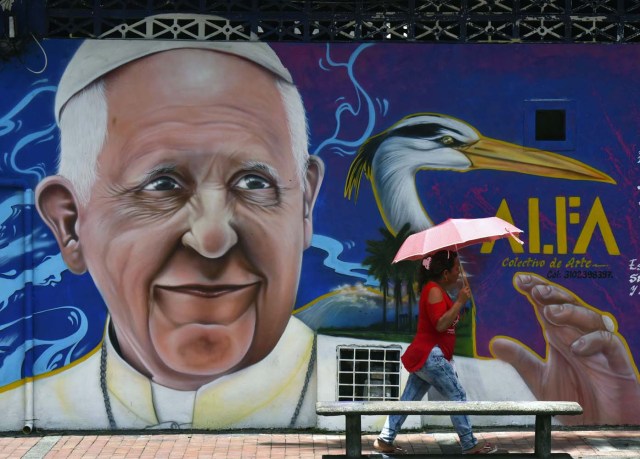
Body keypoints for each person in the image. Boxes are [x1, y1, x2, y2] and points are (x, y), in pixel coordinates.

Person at [27, 38, 324, 429]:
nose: (213, 240)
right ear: (70, 225)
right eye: (162, 185)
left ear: (304, 205)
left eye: (254, 182)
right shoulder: (38, 405)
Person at [373, 250, 497, 455]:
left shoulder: (438, 290)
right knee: (457, 394)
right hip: (431, 355)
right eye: (457, 268)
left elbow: (447, 320)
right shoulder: (434, 290)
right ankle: (469, 444)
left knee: (409, 399)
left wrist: (460, 301)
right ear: (446, 273)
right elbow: (440, 325)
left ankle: (385, 439)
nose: (459, 272)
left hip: (427, 356)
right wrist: (459, 302)